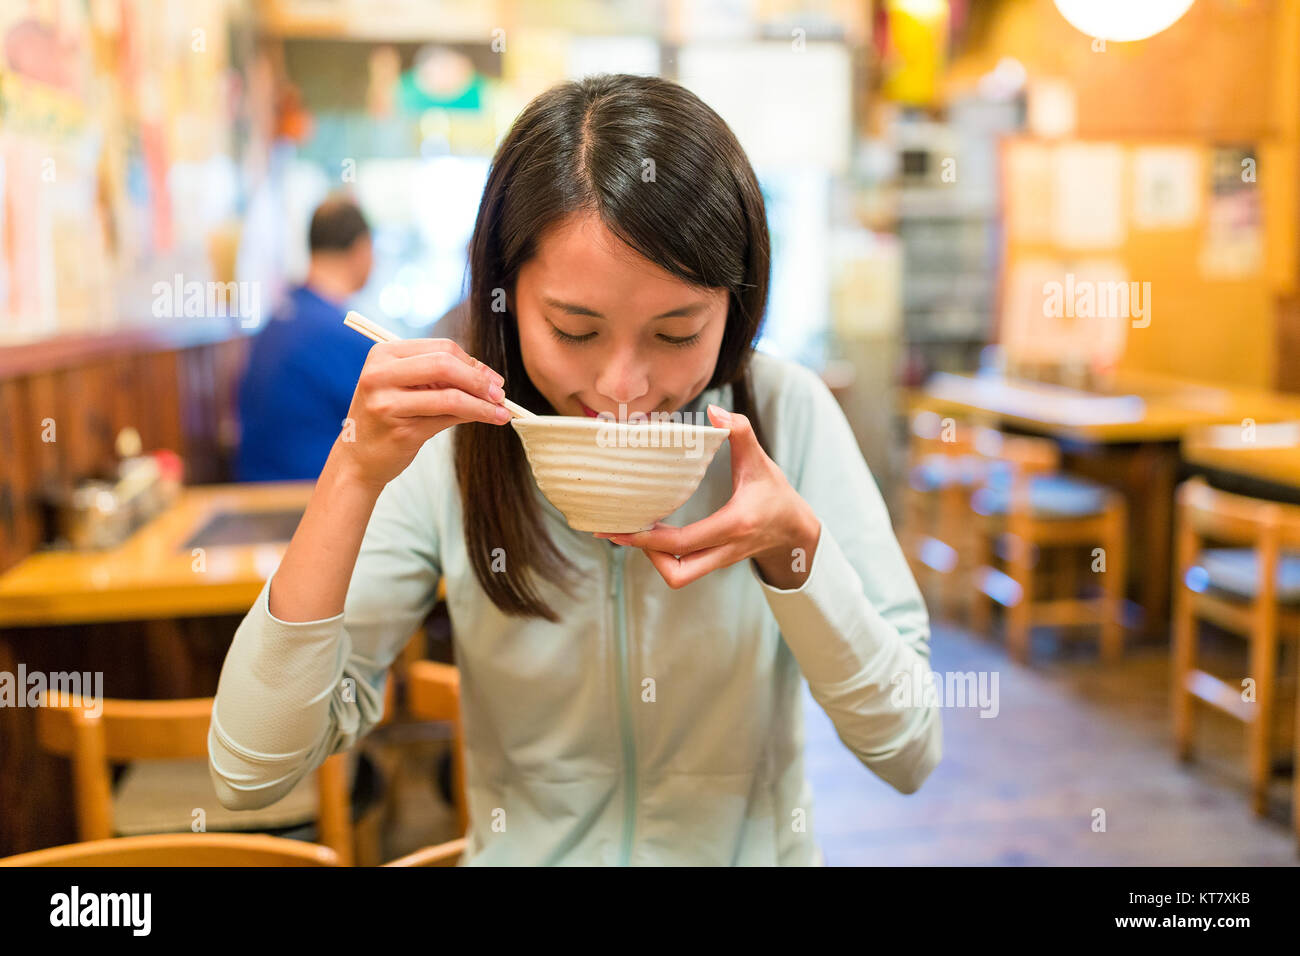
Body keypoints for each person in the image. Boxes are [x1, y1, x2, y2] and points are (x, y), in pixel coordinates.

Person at [210, 74, 941, 865]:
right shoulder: (459, 440)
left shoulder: (783, 413)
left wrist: (795, 555)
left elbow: (908, 749)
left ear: (737, 304)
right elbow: (250, 770)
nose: (623, 390)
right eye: (575, 329)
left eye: (675, 333)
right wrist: (353, 472)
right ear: (505, 297)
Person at [236, 197, 375, 481]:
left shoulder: (275, 321)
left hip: (253, 486)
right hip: (304, 495)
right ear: (361, 250)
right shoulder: (346, 337)